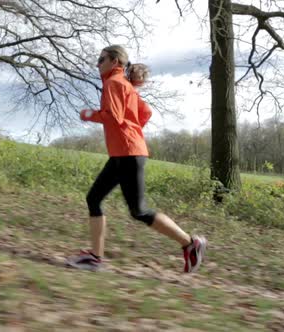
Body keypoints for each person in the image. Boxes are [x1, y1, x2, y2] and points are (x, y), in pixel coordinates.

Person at [66, 45, 207, 273]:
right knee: (94, 198)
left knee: (139, 210)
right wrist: (132, 130)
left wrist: (88, 114)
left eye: (101, 59)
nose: (97, 64)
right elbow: (145, 113)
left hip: (128, 154)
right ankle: (94, 257)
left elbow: (113, 116)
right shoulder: (126, 86)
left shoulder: (114, 83)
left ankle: (191, 244)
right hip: (126, 152)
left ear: (114, 61)